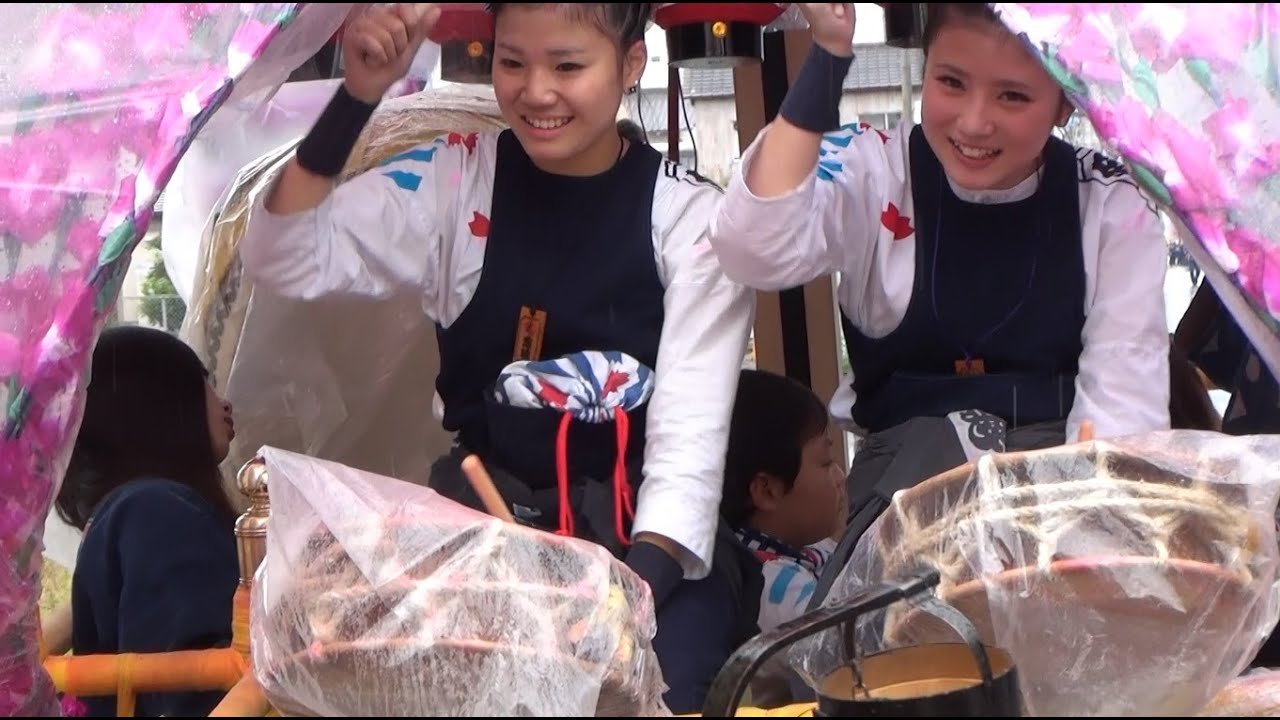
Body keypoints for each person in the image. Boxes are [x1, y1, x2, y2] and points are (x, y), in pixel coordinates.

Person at [235, 3, 755, 712]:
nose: (536, 92)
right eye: (513, 63)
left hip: (650, 554)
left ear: (632, 64)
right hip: (487, 537)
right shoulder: (457, 182)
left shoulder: (691, 220)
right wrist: (359, 96)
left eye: (567, 65)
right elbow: (280, 254)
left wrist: (624, 604)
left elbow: (687, 452)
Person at [708, 3, 1170, 602]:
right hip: (902, 520)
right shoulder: (874, 168)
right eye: (951, 82)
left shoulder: (1112, 204)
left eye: (1013, 97)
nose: (974, 123)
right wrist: (826, 59)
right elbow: (751, 249)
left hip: (1060, 511)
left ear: (1067, 103)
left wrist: (1083, 575)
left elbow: (1123, 417)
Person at [54, 326, 240, 717]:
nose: (225, 403)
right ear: (157, 401)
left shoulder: (130, 511)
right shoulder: (157, 512)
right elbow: (192, 694)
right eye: (203, 382)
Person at [720, 368, 845, 706]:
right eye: (826, 462)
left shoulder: (799, 555)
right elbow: (854, 646)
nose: (840, 476)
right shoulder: (775, 588)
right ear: (769, 491)